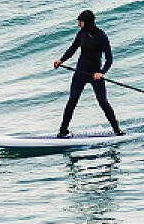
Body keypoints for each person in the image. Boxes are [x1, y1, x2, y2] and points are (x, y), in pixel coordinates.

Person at [52, 9, 123, 137]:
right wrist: (61, 60)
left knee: (103, 101)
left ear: (87, 22)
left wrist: (101, 73)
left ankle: (117, 130)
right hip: (80, 72)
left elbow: (109, 58)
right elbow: (73, 48)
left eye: (81, 21)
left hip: (95, 74)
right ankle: (63, 131)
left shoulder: (101, 36)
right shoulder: (81, 34)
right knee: (72, 100)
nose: (79, 24)